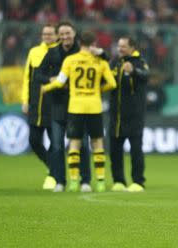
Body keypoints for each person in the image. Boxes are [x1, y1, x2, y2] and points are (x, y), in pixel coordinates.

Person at [41, 31, 116, 192]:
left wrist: (46, 88)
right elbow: (112, 83)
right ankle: (101, 182)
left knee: (74, 143)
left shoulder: (70, 60)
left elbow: (60, 82)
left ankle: (74, 182)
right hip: (94, 106)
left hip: (75, 106)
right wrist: (98, 89)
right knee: (97, 143)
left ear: (80, 43)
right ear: (94, 44)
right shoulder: (100, 62)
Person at [109, 36, 149, 192]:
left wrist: (133, 71)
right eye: (119, 46)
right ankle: (118, 180)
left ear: (132, 47)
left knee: (136, 150)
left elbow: (146, 76)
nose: (120, 49)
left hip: (134, 115)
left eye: (123, 46)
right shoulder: (114, 63)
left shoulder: (140, 62)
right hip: (116, 115)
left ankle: (138, 182)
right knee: (115, 150)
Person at [22, 24, 58, 190]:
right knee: (34, 140)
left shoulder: (60, 53)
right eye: (45, 34)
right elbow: (27, 78)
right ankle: (53, 167)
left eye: (50, 34)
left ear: (56, 36)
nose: (47, 36)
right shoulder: (34, 52)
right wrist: (25, 100)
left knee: (54, 140)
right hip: (36, 103)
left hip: (54, 103)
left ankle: (53, 175)